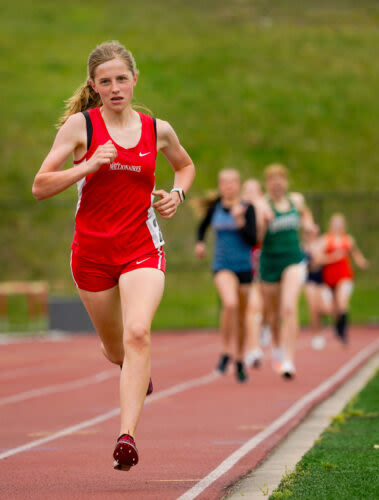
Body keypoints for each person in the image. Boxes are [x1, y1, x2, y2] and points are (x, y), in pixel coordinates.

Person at [32, 41, 195, 471]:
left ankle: (127, 438)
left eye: (122, 79)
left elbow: (185, 165)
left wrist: (177, 193)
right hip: (92, 253)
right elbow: (40, 185)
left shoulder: (157, 128)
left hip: (141, 246)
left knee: (138, 332)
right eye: (106, 81)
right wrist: (86, 166)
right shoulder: (79, 128)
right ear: (94, 86)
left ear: (134, 79)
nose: (115, 87)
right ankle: (133, 371)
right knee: (114, 346)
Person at [194, 169, 257, 382]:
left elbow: (252, 240)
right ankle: (225, 351)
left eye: (231, 183)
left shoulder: (248, 209)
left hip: (244, 268)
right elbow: (201, 227)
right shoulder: (215, 207)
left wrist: (240, 222)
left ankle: (239, 359)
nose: (228, 186)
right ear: (220, 186)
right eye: (224, 183)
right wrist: (200, 243)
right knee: (229, 304)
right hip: (222, 266)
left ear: (238, 185)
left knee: (241, 317)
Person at [258, 164, 317, 378]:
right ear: (267, 184)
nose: (277, 184)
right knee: (273, 314)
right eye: (272, 180)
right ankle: (277, 346)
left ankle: (289, 361)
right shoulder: (262, 204)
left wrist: (309, 226)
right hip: (270, 263)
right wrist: (263, 223)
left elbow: (306, 215)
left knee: (289, 307)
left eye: (280, 179)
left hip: (293, 259)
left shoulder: (296, 200)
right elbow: (257, 236)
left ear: (286, 182)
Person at [318, 213, 369, 343]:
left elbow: (355, 254)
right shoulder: (325, 239)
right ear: (330, 224)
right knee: (332, 308)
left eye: (340, 223)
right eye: (335, 223)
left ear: (344, 225)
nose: (337, 226)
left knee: (342, 303)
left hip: (344, 276)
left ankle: (342, 332)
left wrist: (362, 262)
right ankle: (338, 327)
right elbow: (318, 259)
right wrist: (332, 257)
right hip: (329, 277)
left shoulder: (348, 239)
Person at [241, 179, 266, 368]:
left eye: (253, 191)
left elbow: (262, 234)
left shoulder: (265, 208)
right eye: (246, 190)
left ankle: (258, 340)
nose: (249, 194)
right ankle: (253, 348)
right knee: (252, 307)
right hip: (247, 263)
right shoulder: (239, 209)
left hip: (267, 261)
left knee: (264, 308)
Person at [302, 228, 333, 350]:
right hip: (309, 279)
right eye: (309, 232)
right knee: (313, 308)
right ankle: (317, 334)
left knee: (325, 309)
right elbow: (308, 263)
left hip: (322, 279)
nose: (311, 234)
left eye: (314, 232)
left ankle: (322, 324)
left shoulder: (321, 244)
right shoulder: (303, 247)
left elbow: (320, 260)